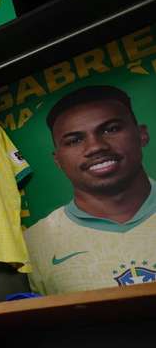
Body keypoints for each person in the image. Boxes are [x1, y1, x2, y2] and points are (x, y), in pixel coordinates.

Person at [24, 85, 155, 295]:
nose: (95, 147)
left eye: (110, 129)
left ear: (142, 135)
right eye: (75, 140)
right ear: (58, 160)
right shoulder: (32, 245)